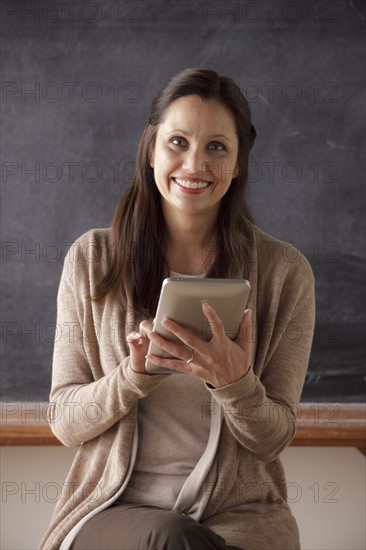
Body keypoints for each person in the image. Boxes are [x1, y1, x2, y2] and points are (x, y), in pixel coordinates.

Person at [39, 68, 315, 550]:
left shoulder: (284, 272)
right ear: (150, 150)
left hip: (242, 518)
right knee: (174, 539)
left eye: (216, 147)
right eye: (178, 142)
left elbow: (273, 438)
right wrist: (133, 376)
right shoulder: (92, 259)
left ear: (238, 164)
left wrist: (237, 385)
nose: (194, 164)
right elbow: (64, 420)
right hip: (115, 510)